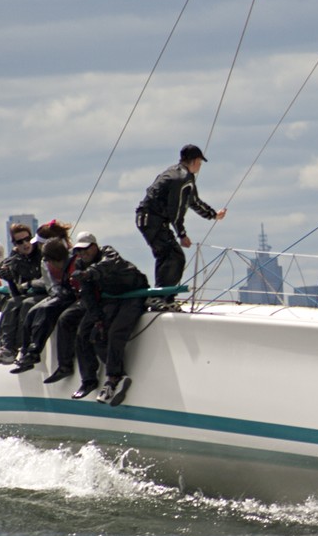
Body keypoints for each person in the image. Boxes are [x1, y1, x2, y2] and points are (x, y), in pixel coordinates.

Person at [135, 144, 226, 310]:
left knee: (170, 255)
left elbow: (193, 201)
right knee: (172, 256)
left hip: (149, 219)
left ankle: (164, 298)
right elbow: (175, 210)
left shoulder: (177, 174)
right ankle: (160, 298)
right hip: (152, 220)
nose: (200, 166)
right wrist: (182, 234)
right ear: (195, 161)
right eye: (200, 162)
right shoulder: (182, 179)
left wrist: (213, 215)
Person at [69, 232, 149, 405]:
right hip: (113, 297)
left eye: (85, 250)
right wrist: (97, 319)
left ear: (95, 247)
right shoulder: (81, 265)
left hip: (133, 295)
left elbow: (108, 265)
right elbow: (88, 296)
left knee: (116, 332)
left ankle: (112, 379)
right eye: (78, 251)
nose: (82, 254)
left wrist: (89, 273)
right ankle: (104, 377)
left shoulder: (108, 254)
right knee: (94, 334)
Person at [10, 238, 78, 373]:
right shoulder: (46, 263)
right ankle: (26, 353)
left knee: (47, 311)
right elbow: (51, 285)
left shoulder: (73, 262)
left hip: (72, 296)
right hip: (58, 293)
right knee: (32, 311)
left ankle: (37, 351)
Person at [0, 223, 46, 363]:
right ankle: (6, 348)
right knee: (11, 303)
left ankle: (24, 348)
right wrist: (8, 277)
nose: (25, 244)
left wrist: (29, 285)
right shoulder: (15, 257)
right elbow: (16, 292)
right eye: (20, 242)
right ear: (15, 244)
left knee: (26, 304)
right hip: (29, 294)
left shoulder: (42, 252)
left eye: (27, 239)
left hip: (45, 293)